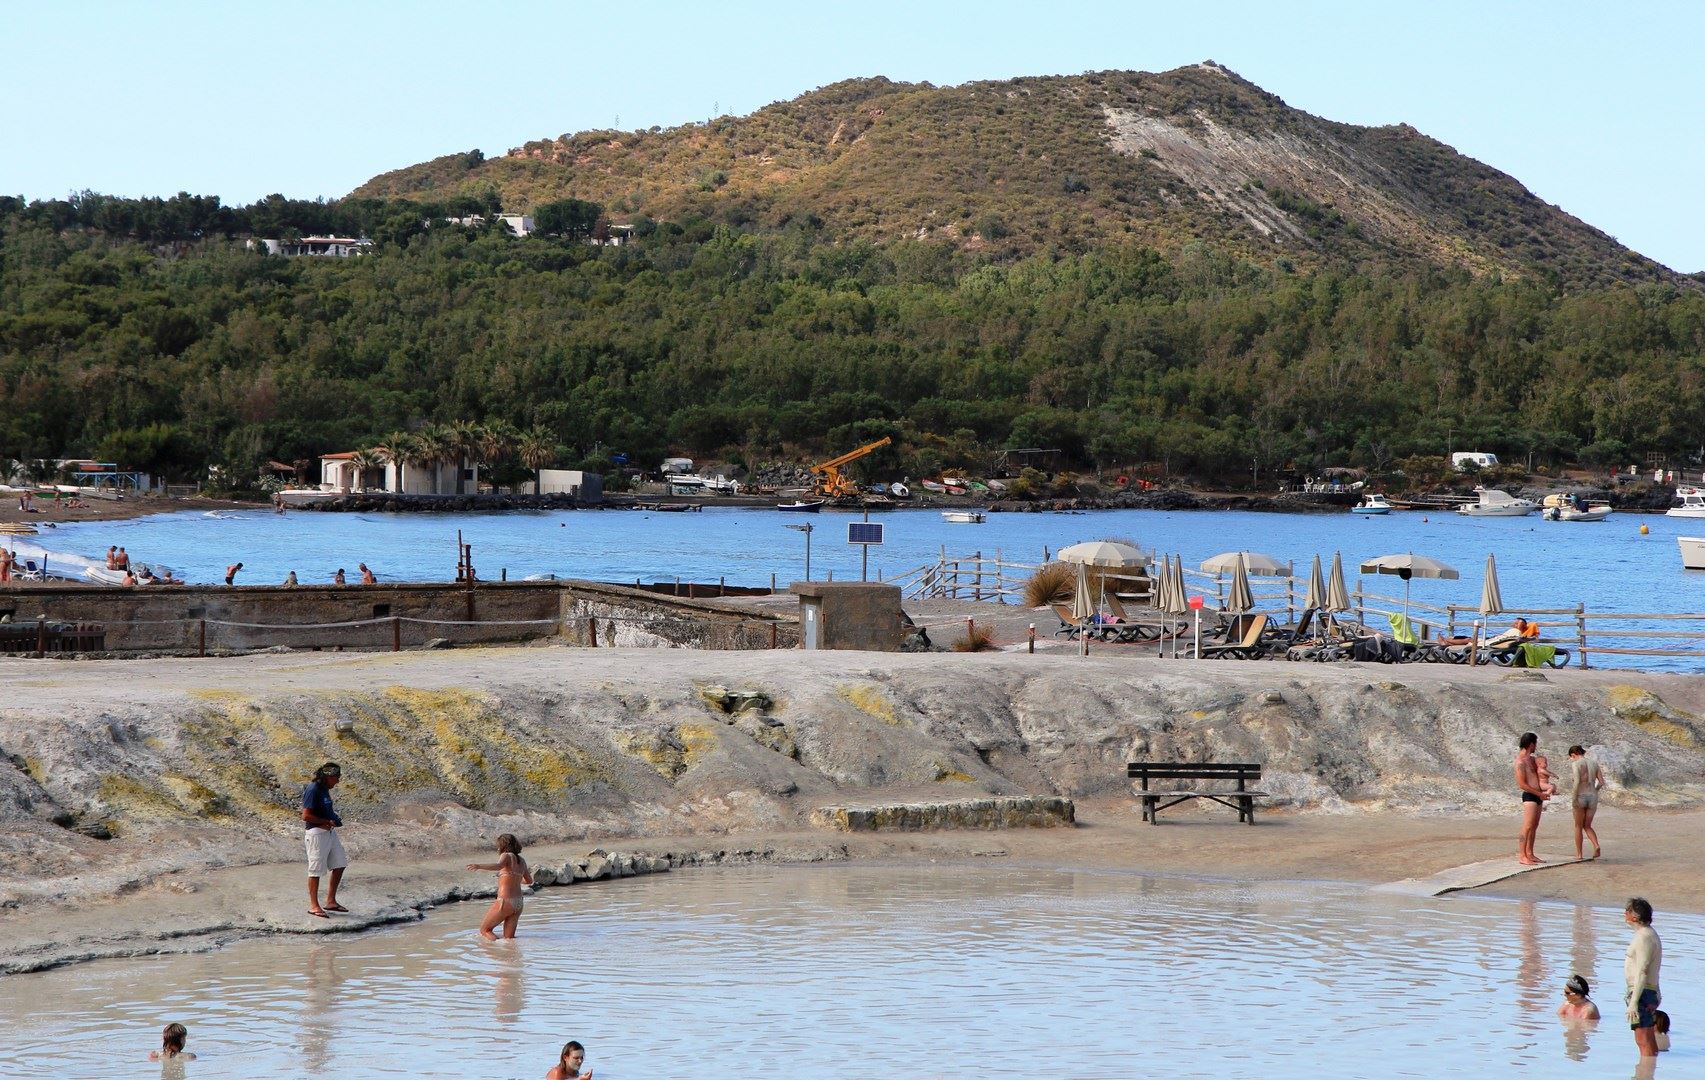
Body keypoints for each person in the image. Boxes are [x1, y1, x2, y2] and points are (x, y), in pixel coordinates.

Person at [302, 763, 348, 919]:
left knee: (340, 864)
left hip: (328, 832)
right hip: (316, 834)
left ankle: (331, 901)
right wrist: (326, 821)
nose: (338, 781)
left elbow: (325, 809)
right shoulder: (313, 789)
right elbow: (306, 816)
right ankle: (314, 906)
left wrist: (333, 819)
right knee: (315, 870)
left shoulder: (324, 788)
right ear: (328, 777)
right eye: (336, 777)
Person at [468, 833, 533, 940]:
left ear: (503, 845)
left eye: (499, 845)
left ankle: (495, 949)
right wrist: (515, 879)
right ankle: (508, 950)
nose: (498, 848)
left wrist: (479, 866)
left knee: (485, 930)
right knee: (509, 939)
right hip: (518, 903)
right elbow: (529, 881)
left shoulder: (506, 855)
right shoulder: (522, 861)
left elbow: (499, 866)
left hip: (505, 901)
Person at [1624, 897, 1663, 1057]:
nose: (1624, 914)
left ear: (1635, 916)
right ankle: (1650, 1068)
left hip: (1641, 993)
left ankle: (1645, 1069)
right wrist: (1657, 992)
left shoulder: (1643, 937)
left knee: (1642, 1039)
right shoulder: (1649, 934)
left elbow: (1642, 971)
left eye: (1627, 911)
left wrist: (1633, 1003)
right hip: (1648, 990)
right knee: (1647, 1038)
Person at [1515, 732, 1548, 865]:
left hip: (1538, 795)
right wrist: (1538, 793)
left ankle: (1530, 853)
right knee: (1527, 825)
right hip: (1530, 795)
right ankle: (1522, 855)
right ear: (1531, 744)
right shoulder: (1520, 762)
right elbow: (1522, 784)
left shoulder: (1532, 759)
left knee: (1534, 826)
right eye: (1535, 744)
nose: (1536, 746)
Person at [1567, 744, 1605, 860]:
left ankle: (1579, 854)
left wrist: (1574, 798)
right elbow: (1601, 782)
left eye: (1571, 757)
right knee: (1587, 825)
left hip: (1581, 796)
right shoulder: (1594, 763)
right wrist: (1595, 791)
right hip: (1593, 796)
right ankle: (1596, 845)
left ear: (1573, 755)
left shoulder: (1576, 764)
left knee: (1578, 826)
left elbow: (1577, 781)